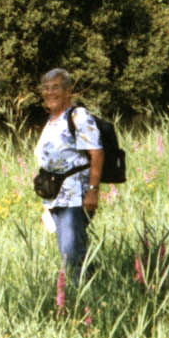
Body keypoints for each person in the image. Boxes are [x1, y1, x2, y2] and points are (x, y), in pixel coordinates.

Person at [34, 68, 102, 279]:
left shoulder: (78, 116)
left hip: (74, 196)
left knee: (72, 252)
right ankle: (87, 286)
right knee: (69, 251)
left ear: (67, 91)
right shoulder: (52, 120)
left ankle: (83, 291)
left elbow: (96, 153)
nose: (50, 92)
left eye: (55, 87)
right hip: (55, 197)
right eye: (46, 88)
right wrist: (46, 205)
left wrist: (93, 191)